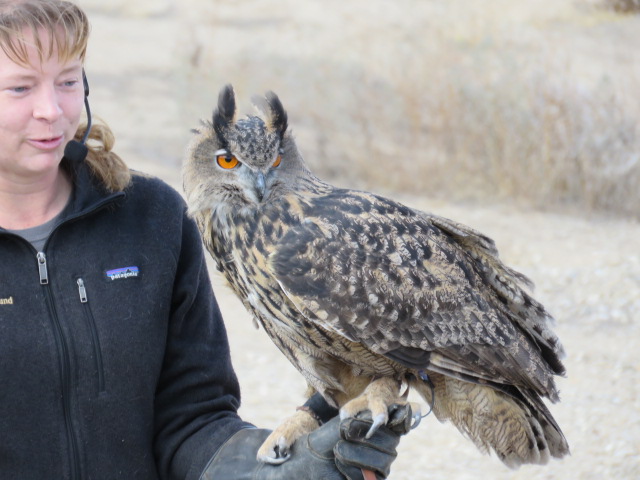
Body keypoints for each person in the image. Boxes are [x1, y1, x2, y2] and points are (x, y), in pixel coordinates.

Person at [0, 1, 409, 479]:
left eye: (68, 81)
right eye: (20, 87)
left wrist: (267, 471)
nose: (51, 110)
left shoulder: (150, 217)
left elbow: (192, 416)